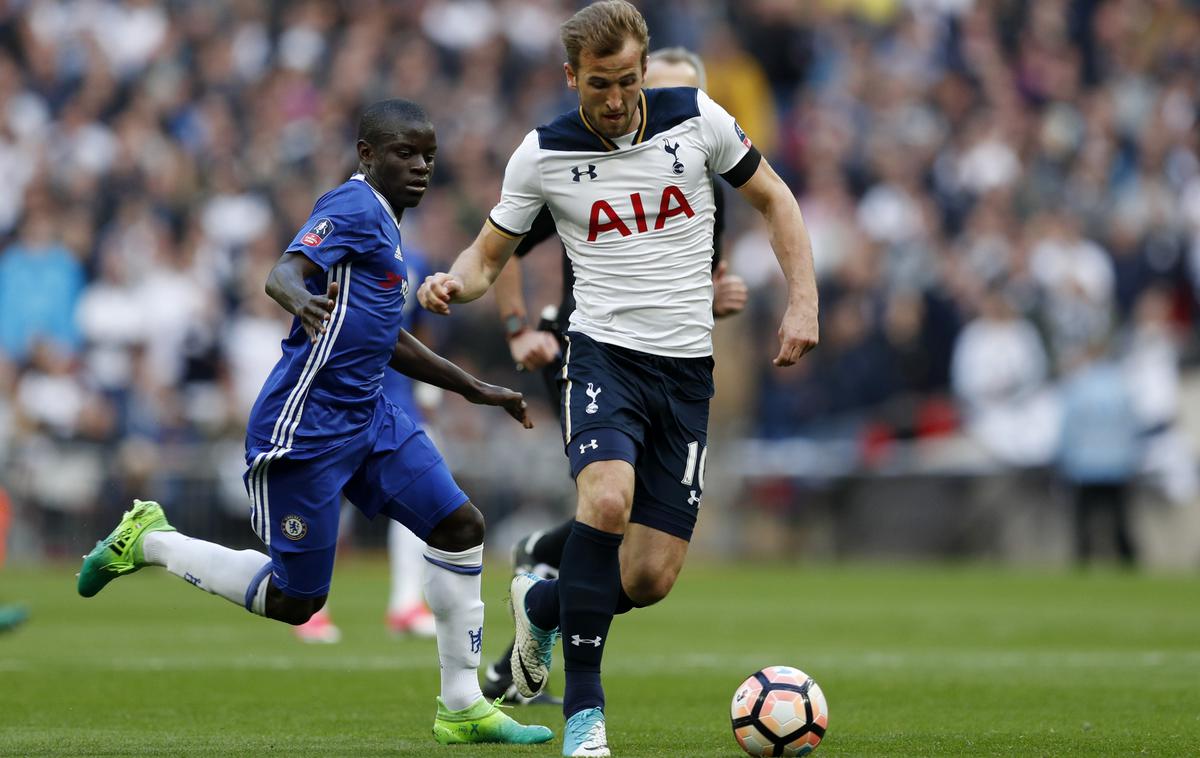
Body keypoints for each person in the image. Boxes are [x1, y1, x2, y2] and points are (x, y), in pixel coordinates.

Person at [76, 99, 553, 747]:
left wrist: (476, 389)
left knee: (460, 525)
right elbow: (287, 270)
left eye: (428, 155)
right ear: (366, 155)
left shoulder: (388, 226)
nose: (419, 167)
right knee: (298, 600)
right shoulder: (353, 207)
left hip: (374, 417)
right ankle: (152, 539)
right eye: (403, 153)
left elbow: (389, 337)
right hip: (306, 426)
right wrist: (299, 297)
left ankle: (462, 704)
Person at [418, 3, 819, 755]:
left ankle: (543, 601)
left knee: (648, 578)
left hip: (686, 372)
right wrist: (452, 283)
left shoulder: (696, 117)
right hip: (601, 356)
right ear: (572, 75)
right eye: (599, 83)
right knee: (606, 500)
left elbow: (777, 199)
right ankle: (586, 719)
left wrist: (802, 301)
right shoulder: (543, 152)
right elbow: (487, 256)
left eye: (628, 81)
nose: (615, 98)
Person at [480, 44, 748, 706]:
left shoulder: (710, 177)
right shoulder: (580, 160)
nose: (640, 103)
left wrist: (711, 298)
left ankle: (538, 586)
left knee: (641, 553)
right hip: (591, 350)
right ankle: (578, 697)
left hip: (672, 364)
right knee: (609, 505)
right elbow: (501, 242)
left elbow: (688, 279)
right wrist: (521, 329)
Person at [292, 249, 440, 644]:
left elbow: (419, 326)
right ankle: (309, 604)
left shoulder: (413, 262)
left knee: (417, 495)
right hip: (338, 395)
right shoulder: (328, 255)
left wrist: (427, 389)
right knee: (328, 497)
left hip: (397, 398)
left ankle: (407, 603)